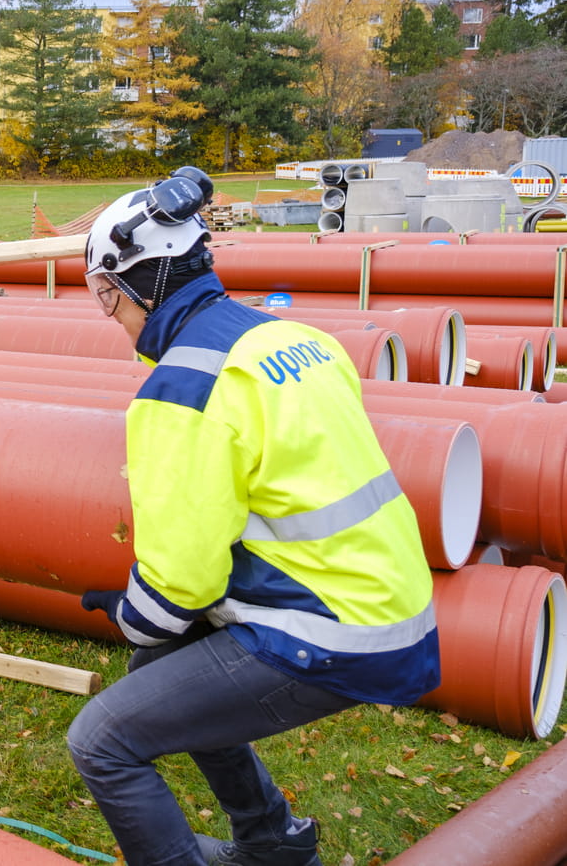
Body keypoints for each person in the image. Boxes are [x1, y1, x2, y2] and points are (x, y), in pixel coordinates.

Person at [64, 168, 439, 866]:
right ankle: (272, 844)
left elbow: (181, 583)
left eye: (108, 298)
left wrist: (130, 612)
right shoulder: (292, 339)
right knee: (161, 664)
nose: (113, 318)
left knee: (102, 739)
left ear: (141, 284)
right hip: (392, 603)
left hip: (331, 627)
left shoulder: (183, 388)